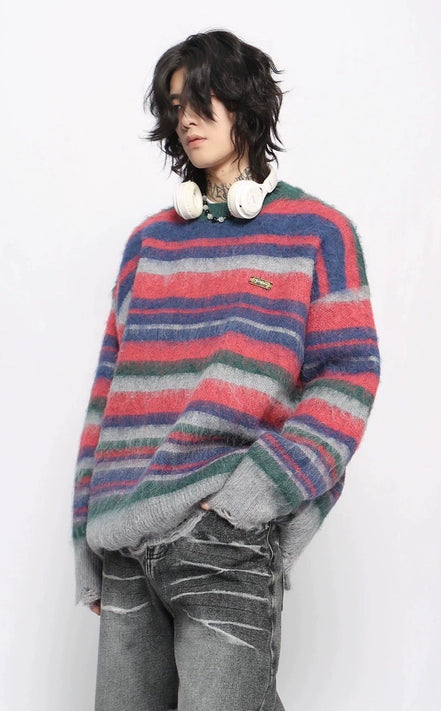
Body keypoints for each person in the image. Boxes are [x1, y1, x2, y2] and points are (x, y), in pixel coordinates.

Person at [71, 28, 381, 711]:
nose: (185, 118)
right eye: (174, 105)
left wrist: (248, 500)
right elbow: (107, 393)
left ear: (245, 102)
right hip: (124, 545)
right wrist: (83, 537)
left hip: (224, 540)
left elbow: (348, 377)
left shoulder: (317, 233)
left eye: (201, 99)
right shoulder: (147, 244)